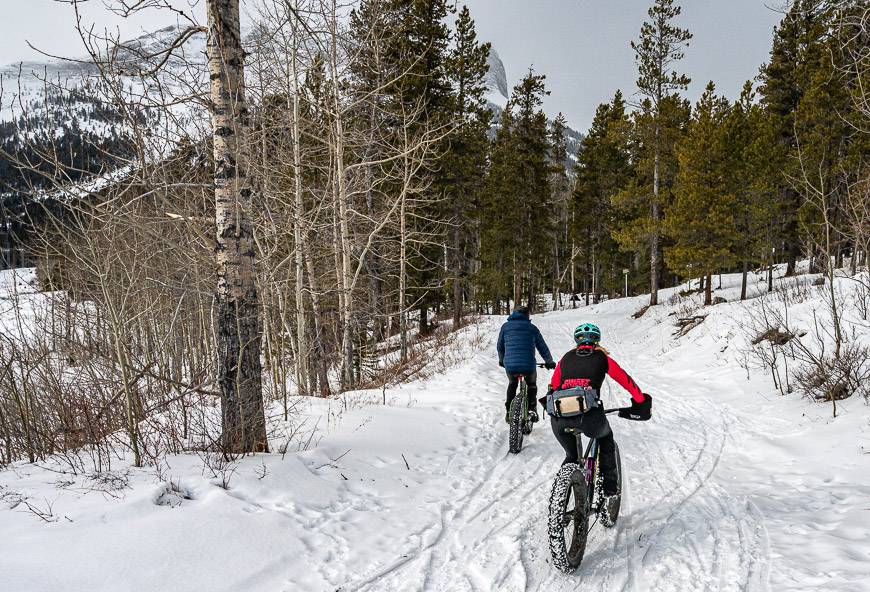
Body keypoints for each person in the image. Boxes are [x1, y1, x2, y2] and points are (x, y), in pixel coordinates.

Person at [545, 322, 652, 501]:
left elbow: (553, 386)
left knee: (571, 456)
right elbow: (626, 381)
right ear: (597, 340)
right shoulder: (603, 358)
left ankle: (559, 502)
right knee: (605, 437)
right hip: (589, 416)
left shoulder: (565, 358)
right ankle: (609, 490)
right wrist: (641, 402)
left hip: (559, 417)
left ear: (576, 341)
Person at [496, 306, 556, 424]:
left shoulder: (505, 327)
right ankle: (532, 409)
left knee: (512, 383)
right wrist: (549, 361)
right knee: (532, 385)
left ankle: (509, 411)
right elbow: (542, 347)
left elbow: (500, 347)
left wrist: (502, 360)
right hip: (528, 365)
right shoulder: (532, 328)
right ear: (527, 315)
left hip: (510, 365)